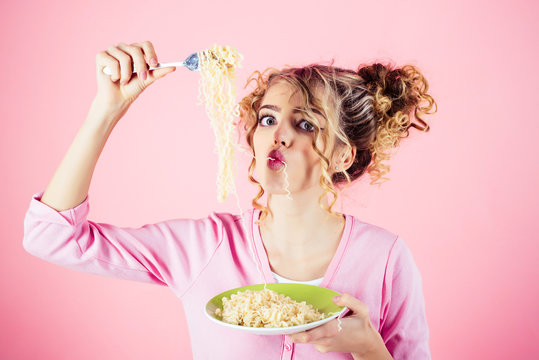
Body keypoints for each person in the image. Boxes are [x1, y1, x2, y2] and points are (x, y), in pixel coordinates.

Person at [23, 40, 437, 360]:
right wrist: (106, 109)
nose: (279, 135)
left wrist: (369, 349)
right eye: (268, 119)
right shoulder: (203, 248)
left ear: (344, 156)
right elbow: (49, 236)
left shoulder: (386, 258)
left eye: (306, 124)